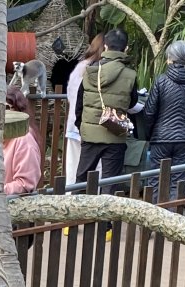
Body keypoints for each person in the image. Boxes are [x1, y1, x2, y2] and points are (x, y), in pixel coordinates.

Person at [144, 40, 185, 204]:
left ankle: (152, 221)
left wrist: (150, 133)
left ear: (170, 59)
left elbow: (150, 111)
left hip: (161, 138)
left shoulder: (161, 80)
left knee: (155, 180)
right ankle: (172, 222)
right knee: (178, 182)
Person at [75, 28, 139, 189]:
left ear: (105, 47)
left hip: (89, 135)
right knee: (110, 183)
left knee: (82, 180)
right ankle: (105, 215)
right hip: (115, 134)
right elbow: (132, 103)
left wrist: (81, 128)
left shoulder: (90, 71)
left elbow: (79, 105)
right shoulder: (130, 75)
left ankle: (78, 213)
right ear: (126, 49)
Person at [64, 33, 105, 187]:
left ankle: (69, 202)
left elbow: (69, 94)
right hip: (93, 128)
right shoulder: (100, 69)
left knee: (72, 169)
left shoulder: (80, 67)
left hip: (74, 125)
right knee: (96, 170)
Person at [3, 86, 42, 196]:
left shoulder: (24, 138)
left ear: (18, 110)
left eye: (6, 108)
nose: (1, 113)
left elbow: (25, 184)